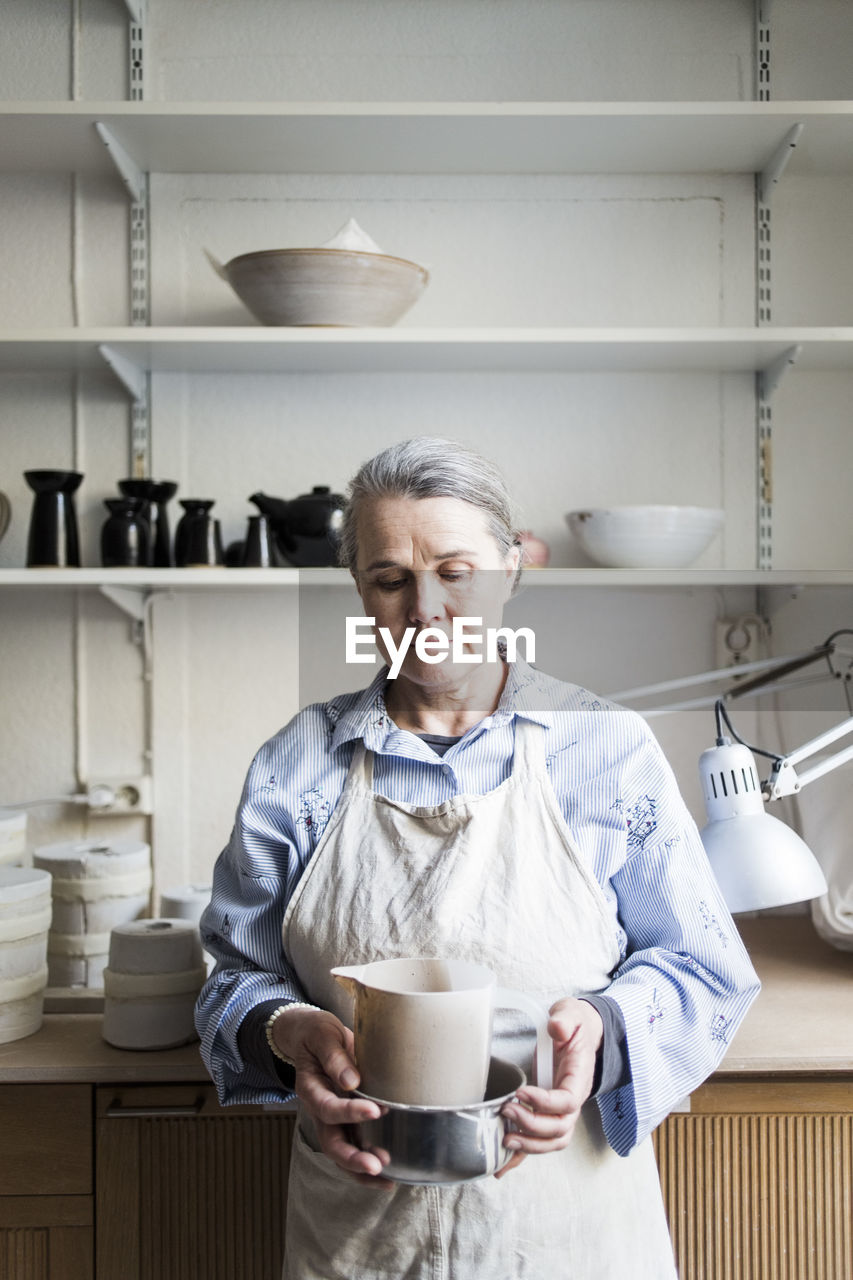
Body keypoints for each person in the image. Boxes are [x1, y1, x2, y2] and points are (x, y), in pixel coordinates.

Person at [196, 436, 760, 1279]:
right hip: (360, 1232)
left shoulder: (603, 751)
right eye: (390, 579)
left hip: (565, 1232)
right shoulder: (298, 763)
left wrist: (599, 1032)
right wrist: (285, 1031)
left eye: (455, 572)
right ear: (360, 591)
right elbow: (233, 976)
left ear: (510, 571)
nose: (425, 609)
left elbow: (703, 970)